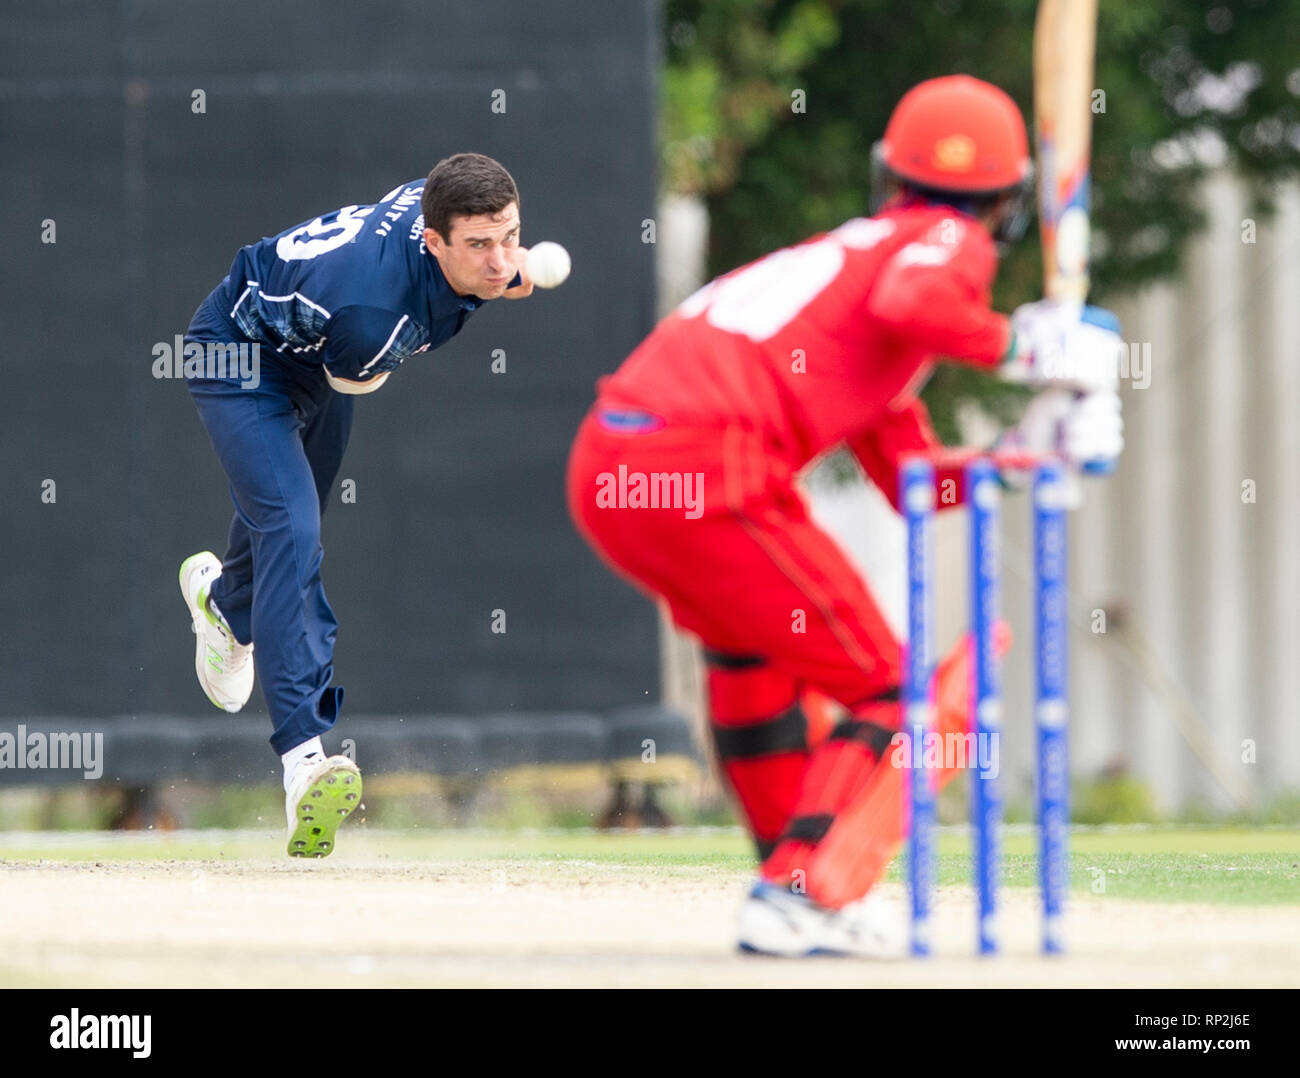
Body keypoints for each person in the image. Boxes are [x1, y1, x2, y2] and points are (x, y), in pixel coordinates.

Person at [566, 76, 1123, 955]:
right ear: (1004, 202)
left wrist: (1026, 453)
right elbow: (923, 301)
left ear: (888, 173)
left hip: (612, 464)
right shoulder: (944, 240)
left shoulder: (852, 278)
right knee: (891, 690)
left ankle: (790, 884)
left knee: (755, 661)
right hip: (707, 463)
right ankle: (804, 892)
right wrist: (1033, 346)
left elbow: (910, 483)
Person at [179, 153, 534, 858]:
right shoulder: (373, 319)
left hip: (309, 354)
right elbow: (353, 369)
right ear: (432, 242)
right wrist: (497, 286)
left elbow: (454, 252)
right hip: (236, 357)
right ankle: (302, 760)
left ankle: (225, 605)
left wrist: (495, 272)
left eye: (511, 237)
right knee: (292, 530)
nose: (499, 260)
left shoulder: (432, 203)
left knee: (293, 523)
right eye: (479, 246)